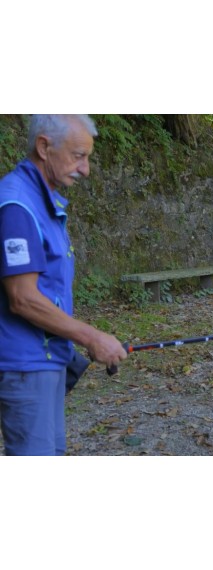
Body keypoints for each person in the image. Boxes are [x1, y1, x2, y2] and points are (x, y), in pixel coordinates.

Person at [0, 114, 128, 456]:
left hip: (47, 358)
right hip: (26, 364)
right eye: (78, 156)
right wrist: (92, 337)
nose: (85, 169)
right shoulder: (17, 206)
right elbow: (23, 299)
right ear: (44, 147)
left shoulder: (41, 201)